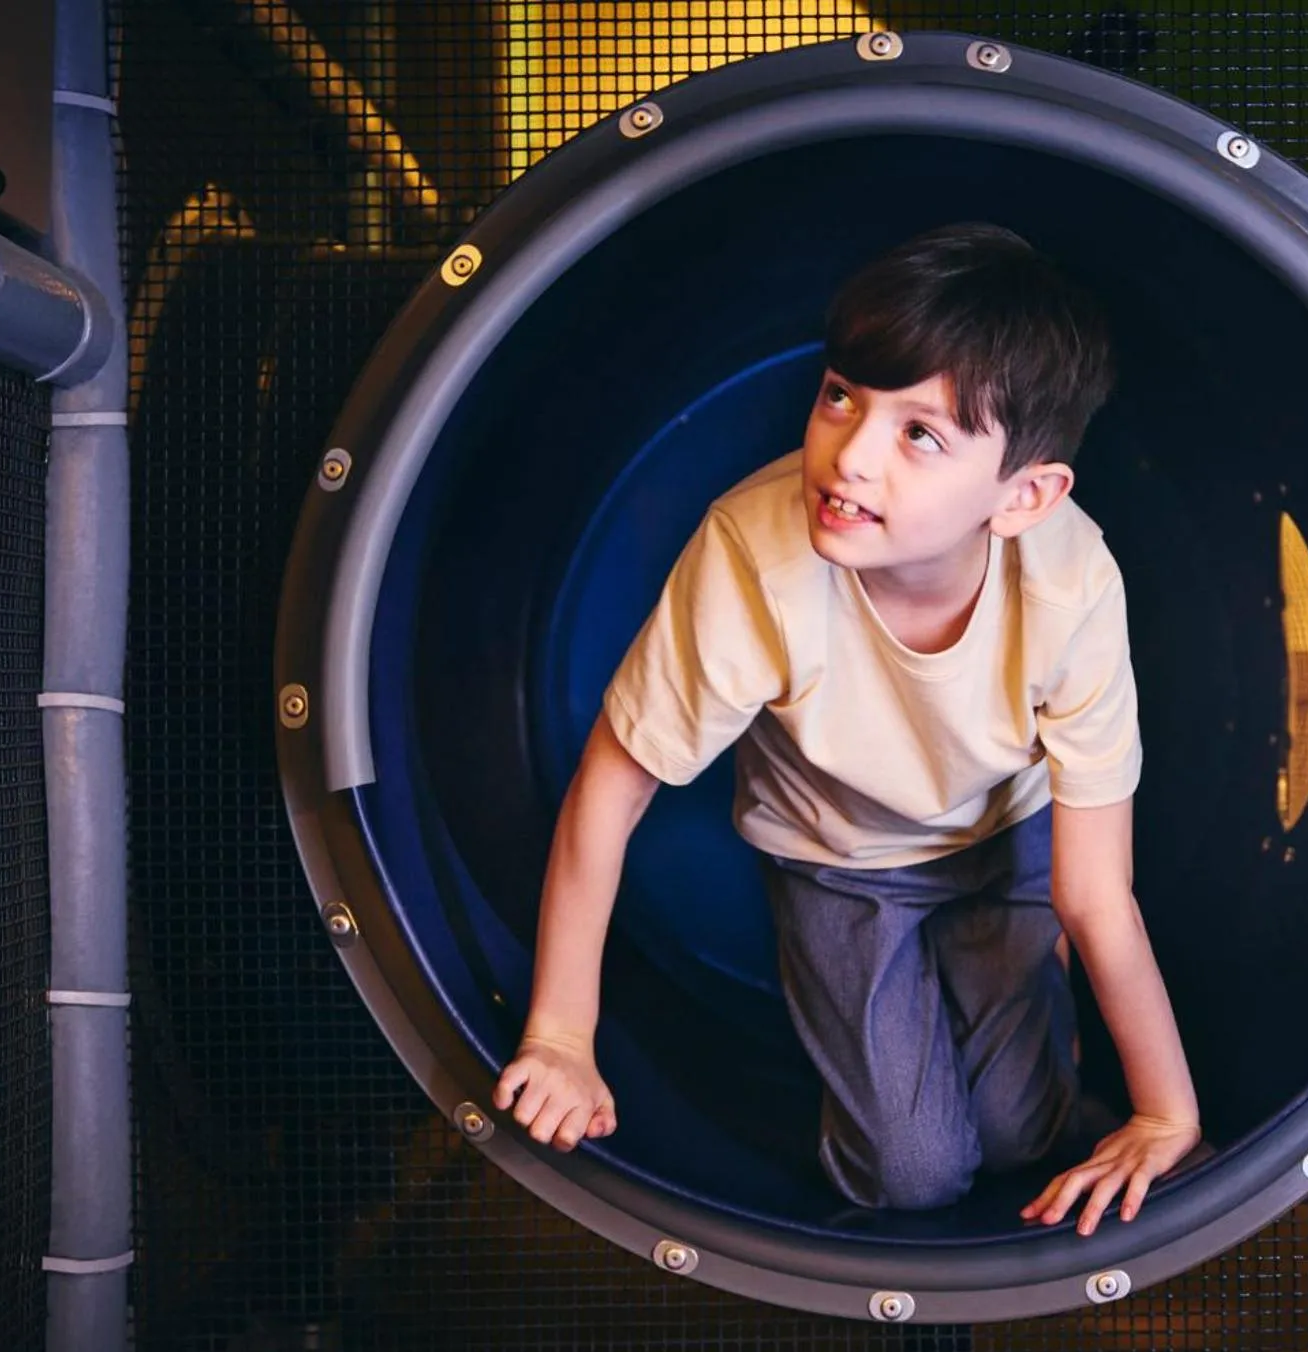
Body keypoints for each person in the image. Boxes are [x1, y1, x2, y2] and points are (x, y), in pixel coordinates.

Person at [492, 222, 1200, 1236]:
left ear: (1023, 497)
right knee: (912, 1174)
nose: (847, 455)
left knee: (1024, 1140)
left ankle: (1026, 1051)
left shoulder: (1069, 581)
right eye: (839, 397)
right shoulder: (756, 556)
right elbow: (609, 791)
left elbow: (1096, 895)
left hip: (1009, 846)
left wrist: (1164, 1112)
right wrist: (560, 1033)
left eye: (920, 433)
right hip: (835, 859)